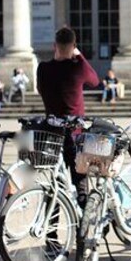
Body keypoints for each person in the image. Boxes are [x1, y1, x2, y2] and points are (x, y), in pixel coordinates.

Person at [37, 27, 100, 208]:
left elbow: (41, 90)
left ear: (54, 45)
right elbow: (95, 81)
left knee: (54, 183)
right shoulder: (78, 67)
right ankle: (83, 229)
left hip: (51, 134)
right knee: (80, 183)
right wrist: (79, 56)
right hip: (74, 133)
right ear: (73, 46)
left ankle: (52, 232)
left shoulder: (43, 69)